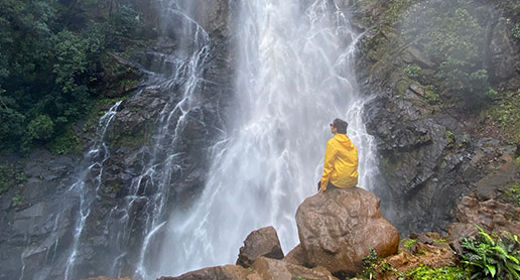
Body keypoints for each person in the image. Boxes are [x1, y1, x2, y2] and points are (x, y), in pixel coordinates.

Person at [318, 118, 359, 192]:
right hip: (352, 181)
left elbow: (328, 166)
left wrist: (323, 186)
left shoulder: (332, 143)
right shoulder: (351, 145)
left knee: (320, 184)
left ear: (336, 129)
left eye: (332, 125)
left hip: (339, 182)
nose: (330, 127)